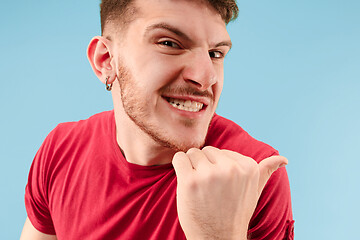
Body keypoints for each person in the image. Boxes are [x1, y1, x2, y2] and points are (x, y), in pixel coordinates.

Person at [21, 0, 294, 239]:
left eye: (215, 54)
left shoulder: (252, 174)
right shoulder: (61, 149)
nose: (206, 77)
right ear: (106, 60)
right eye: (169, 44)